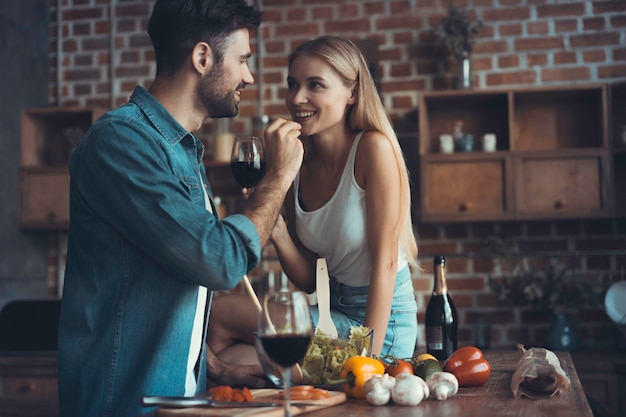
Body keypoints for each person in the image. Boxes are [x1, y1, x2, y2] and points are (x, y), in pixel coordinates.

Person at [56, 1, 304, 416]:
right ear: (203, 57)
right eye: (243, 60)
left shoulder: (180, 151)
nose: (249, 75)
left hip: (175, 403)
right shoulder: (120, 143)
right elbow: (220, 261)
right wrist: (278, 176)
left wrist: (212, 367)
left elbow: (162, 291)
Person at [206, 35, 419, 371]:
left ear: (352, 93)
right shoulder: (298, 159)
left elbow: (386, 265)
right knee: (229, 361)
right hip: (331, 315)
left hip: (380, 325)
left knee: (221, 314)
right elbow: (308, 280)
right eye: (293, 84)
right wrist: (277, 230)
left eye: (315, 85)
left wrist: (371, 364)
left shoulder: (372, 150)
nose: (297, 98)